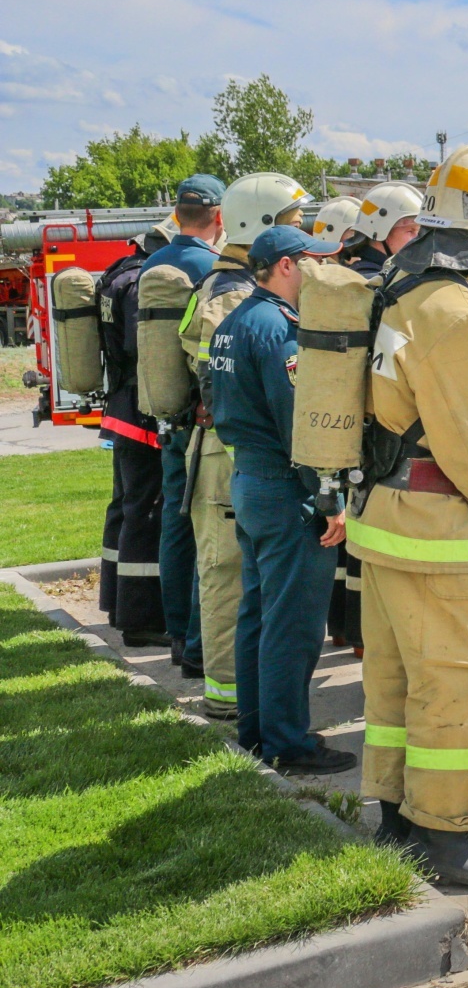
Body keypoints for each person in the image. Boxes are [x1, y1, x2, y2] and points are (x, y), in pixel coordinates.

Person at [349, 146, 468, 887]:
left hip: (387, 518)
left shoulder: (398, 284)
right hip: (441, 528)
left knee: (398, 684)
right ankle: (452, 838)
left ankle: (396, 818)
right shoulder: (456, 312)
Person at [208, 223, 353, 773]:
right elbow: (300, 426)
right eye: (315, 261)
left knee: (259, 615)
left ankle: (257, 731)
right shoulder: (279, 328)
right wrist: (328, 498)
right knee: (292, 624)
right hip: (284, 487)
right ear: (288, 265)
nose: (324, 271)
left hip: (249, 479)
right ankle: (289, 744)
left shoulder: (239, 318)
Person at [185, 172, 310, 719]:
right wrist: (323, 492)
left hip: (240, 465)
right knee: (269, 605)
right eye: (298, 232)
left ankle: (256, 722)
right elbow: (288, 413)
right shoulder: (257, 311)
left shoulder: (225, 299)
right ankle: (272, 726)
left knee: (253, 601)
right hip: (260, 469)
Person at [331, 182, 424, 654]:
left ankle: (353, 632)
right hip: (381, 432)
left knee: (359, 546)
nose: (419, 237)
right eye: (411, 229)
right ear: (382, 232)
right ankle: (368, 641)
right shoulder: (380, 285)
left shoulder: (349, 276)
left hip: (356, 430)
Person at [139, 174, 226, 679]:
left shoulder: (154, 262)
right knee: (203, 531)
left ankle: (176, 632)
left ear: (177, 214)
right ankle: (196, 638)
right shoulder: (207, 268)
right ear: (218, 217)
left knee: (175, 520)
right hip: (197, 418)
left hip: (162, 411)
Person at [98, 220, 172, 646]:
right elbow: (142, 349)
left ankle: (116, 601)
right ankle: (140, 621)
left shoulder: (115, 275)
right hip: (142, 413)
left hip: (121, 408)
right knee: (146, 512)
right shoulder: (144, 283)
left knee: (125, 507)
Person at [348, 182, 424, 277]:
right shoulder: (368, 278)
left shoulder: (394, 271)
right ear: (382, 232)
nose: (417, 238)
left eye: (419, 231)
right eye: (410, 231)